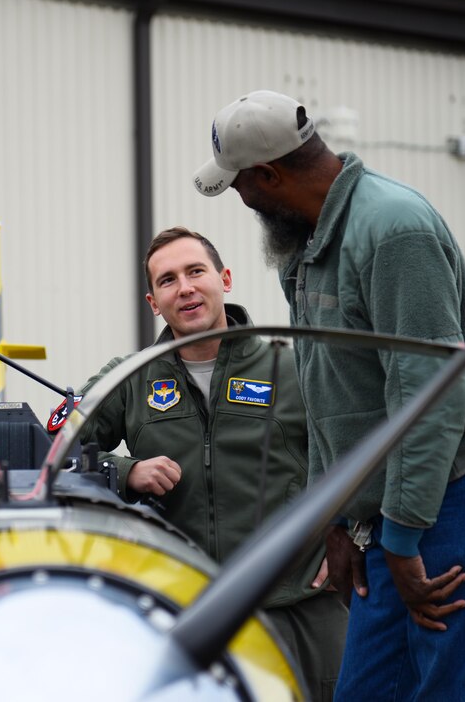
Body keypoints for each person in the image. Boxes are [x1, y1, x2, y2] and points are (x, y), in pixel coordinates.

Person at [192, 89, 465, 701]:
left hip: (463, 484)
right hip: (391, 506)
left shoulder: (392, 229)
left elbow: (432, 394)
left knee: (453, 688)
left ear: (269, 175)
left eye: (241, 187)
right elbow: (331, 393)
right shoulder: (301, 249)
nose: (242, 201)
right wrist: (340, 516)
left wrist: (403, 539)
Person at [76, 227, 348, 701]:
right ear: (153, 301)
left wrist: (348, 532)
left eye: (195, 271)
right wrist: (124, 472)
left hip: (297, 610)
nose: (184, 287)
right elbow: (52, 454)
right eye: (167, 280)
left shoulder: (295, 366)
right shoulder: (130, 379)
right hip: (184, 618)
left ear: (224, 278)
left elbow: (356, 452)